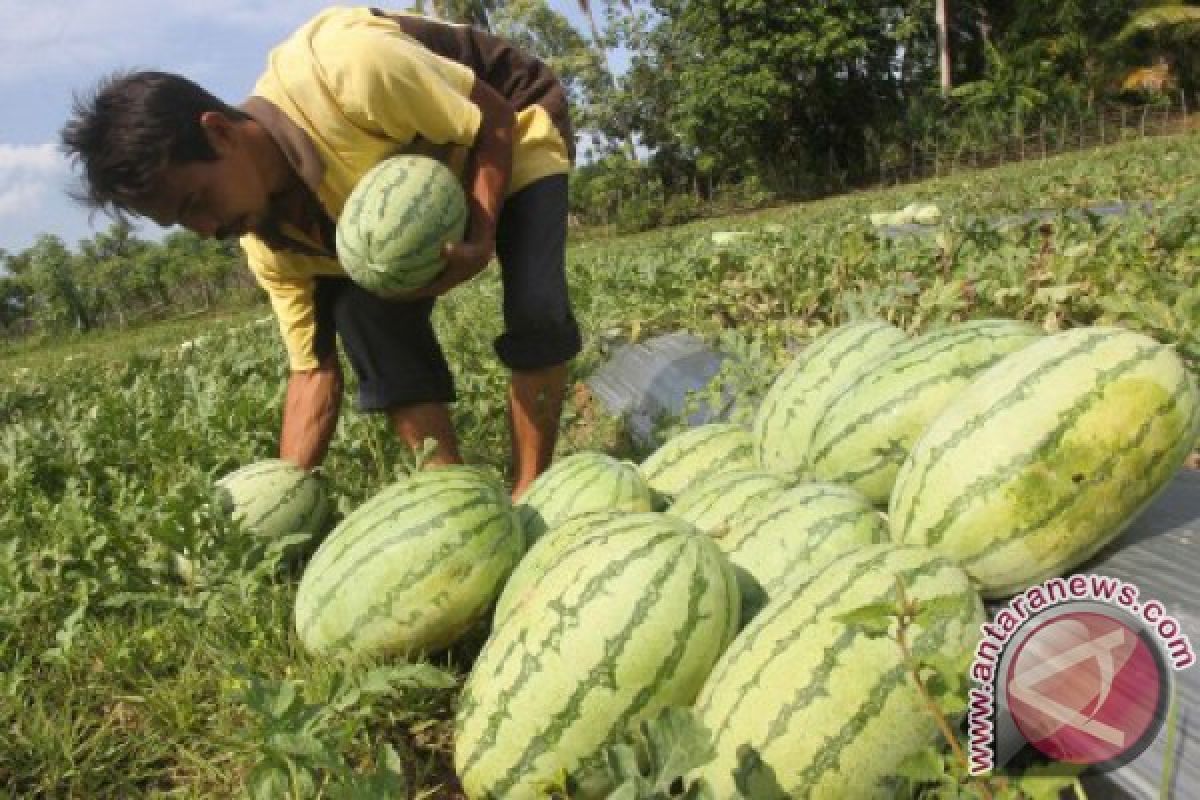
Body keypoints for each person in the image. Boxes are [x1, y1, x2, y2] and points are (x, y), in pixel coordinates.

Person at [60, 7, 581, 499]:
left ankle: (528, 489)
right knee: (359, 309)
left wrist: (483, 232)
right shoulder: (269, 242)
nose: (206, 228)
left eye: (197, 201)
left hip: (512, 117)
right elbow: (312, 373)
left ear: (218, 132)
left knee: (535, 303)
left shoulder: (346, 70)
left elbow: (490, 117)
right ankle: (454, 497)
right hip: (433, 171)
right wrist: (279, 501)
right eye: (181, 222)